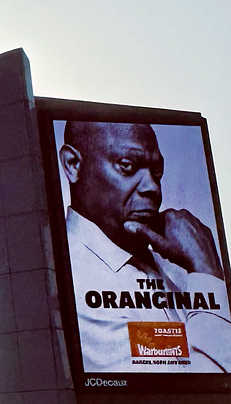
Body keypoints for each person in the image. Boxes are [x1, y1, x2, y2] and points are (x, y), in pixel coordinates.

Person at [59, 121, 231, 373]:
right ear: (73, 165)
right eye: (127, 166)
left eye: (157, 171)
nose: (153, 187)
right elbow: (201, 393)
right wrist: (207, 272)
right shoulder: (72, 282)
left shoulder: (175, 261)